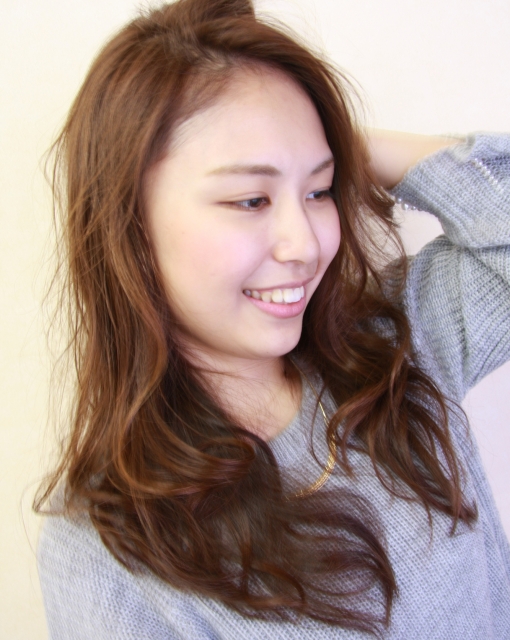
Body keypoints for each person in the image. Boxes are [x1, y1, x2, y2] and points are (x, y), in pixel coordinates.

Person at [36, 0, 510, 637]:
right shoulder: (106, 550)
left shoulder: (397, 343)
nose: (305, 244)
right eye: (251, 199)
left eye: (319, 191)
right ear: (130, 227)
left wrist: (338, 143)